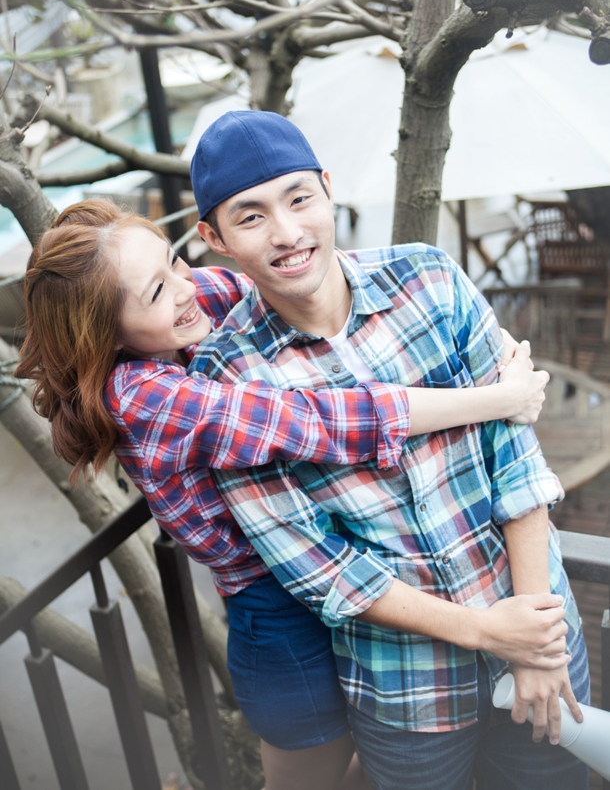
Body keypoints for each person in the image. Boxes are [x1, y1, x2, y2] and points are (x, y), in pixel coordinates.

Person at [17, 198, 565, 790]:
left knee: (378, 756)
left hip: (339, 565)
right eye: (156, 291)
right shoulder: (141, 396)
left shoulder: (184, 298)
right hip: (278, 610)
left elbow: (308, 282)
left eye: (173, 261)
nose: (185, 287)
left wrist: (480, 335)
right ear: (107, 335)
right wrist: (497, 400)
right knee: (319, 778)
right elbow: (316, 422)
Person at [190, 109, 590, 790]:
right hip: (405, 687)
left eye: (298, 199)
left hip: (541, 630)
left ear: (327, 189)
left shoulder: (428, 278)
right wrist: (490, 633)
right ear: (214, 238)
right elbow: (320, 566)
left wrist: (532, 636)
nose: (287, 233)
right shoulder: (227, 378)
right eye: (250, 217)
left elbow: (515, 456)